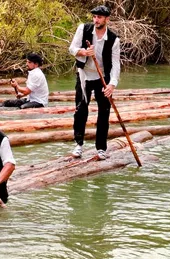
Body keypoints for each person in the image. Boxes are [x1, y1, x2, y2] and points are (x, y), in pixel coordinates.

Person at [67, 5, 121, 160]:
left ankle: (101, 148)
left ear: (107, 19)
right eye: (94, 17)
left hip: (102, 77)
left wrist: (112, 84)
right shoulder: (83, 29)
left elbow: (116, 64)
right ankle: (79, 144)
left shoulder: (114, 39)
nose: (96, 20)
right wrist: (83, 52)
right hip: (84, 74)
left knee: (104, 112)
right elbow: (72, 48)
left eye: (99, 17)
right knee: (81, 110)